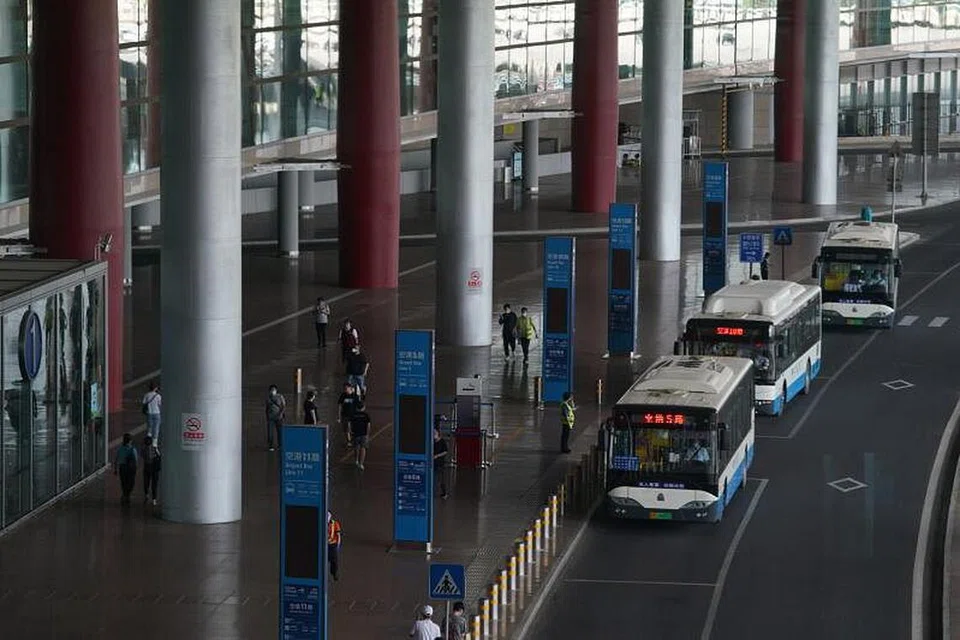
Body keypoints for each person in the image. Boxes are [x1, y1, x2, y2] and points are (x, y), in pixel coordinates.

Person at [114, 433, 138, 505]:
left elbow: (116, 459)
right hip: (130, 468)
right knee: (130, 482)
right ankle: (127, 495)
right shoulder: (132, 449)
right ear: (130, 441)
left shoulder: (120, 448)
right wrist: (135, 468)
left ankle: (125, 495)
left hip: (122, 467)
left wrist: (115, 469)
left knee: (124, 482)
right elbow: (135, 460)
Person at [141, 434, 162, 506]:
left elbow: (142, 456)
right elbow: (159, 456)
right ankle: (154, 499)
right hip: (154, 468)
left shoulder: (143, 449)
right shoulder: (155, 448)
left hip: (147, 467)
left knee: (146, 482)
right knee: (154, 484)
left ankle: (146, 495)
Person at [350, 403, 371, 470]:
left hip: (355, 433)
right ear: (363, 408)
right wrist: (367, 434)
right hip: (363, 434)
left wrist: (350, 431)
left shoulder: (353, 415)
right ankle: (361, 463)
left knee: (356, 448)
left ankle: (356, 460)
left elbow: (349, 424)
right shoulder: (366, 415)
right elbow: (368, 425)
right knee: (363, 448)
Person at [265, 385, 286, 451]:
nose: (272, 391)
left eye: (274, 390)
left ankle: (280, 445)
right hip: (270, 418)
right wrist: (267, 416)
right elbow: (267, 408)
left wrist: (281, 414)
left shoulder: (280, 396)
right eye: (271, 390)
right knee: (270, 432)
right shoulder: (268, 398)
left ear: (276, 390)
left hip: (279, 417)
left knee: (280, 432)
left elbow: (283, 406)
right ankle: (270, 446)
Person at [433, 428, 449, 499]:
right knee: (434, 478)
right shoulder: (432, 442)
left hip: (440, 463)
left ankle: (444, 493)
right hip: (433, 463)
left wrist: (437, 456)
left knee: (441, 478)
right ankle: (433, 492)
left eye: (435, 434)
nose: (434, 435)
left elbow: (445, 451)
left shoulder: (442, 441)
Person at [327, 511, 342, 581]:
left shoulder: (335, 524)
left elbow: (338, 535)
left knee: (334, 560)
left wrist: (338, 544)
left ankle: (334, 573)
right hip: (324, 545)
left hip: (332, 544)